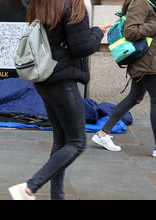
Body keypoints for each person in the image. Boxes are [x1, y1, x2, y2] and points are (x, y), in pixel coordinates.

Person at [8, 0, 111, 200]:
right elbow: (80, 47)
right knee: (77, 143)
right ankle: (29, 187)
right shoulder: (74, 4)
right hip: (62, 80)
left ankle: (57, 197)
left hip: (45, 77)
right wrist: (97, 32)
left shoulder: (42, 3)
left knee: (62, 141)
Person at [92, 0, 156, 158]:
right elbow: (130, 32)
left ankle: (103, 133)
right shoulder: (142, 2)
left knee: (134, 98)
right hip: (147, 63)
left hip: (147, 61)